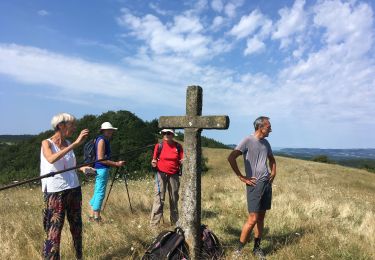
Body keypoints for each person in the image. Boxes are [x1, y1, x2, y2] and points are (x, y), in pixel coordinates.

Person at [40, 112, 94, 260]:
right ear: (61, 126)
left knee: (77, 227)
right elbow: (51, 159)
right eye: (72, 125)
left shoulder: (69, 143)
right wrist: (76, 143)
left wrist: (83, 169)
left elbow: (71, 166)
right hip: (55, 192)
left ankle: (79, 256)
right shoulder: (47, 143)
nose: (75, 127)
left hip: (74, 189)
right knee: (54, 231)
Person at [228, 116, 276, 259]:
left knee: (261, 218)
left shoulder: (266, 143)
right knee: (253, 218)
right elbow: (231, 157)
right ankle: (239, 249)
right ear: (260, 127)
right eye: (268, 127)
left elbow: (272, 159)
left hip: (266, 184)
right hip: (255, 185)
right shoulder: (247, 140)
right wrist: (242, 177)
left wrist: (273, 172)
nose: (271, 129)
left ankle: (257, 248)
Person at [88, 122, 125, 222]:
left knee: (97, 191)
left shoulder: (100, 139)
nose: (111, 131)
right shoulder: (102, 140)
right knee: (100, 193)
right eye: (109, 130)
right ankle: (96, 217)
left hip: (99, 169)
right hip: (101, 169)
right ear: (104, 131)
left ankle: (91, 215)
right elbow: (100, 159)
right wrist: (116, 164)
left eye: (111, 130)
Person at [150, 129, 183, 226]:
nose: (166, 135)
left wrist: (183, 161)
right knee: (159, 198)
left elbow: (182, 159)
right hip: (160, 174)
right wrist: (153, 163)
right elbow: (154, 159)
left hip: (174, 174)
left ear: (173, 134)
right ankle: (154, 224)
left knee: (174, 198)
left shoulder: (178, 146)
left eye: (168, 133)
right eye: (164, 133)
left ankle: (175, 223)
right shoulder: (159, 145)